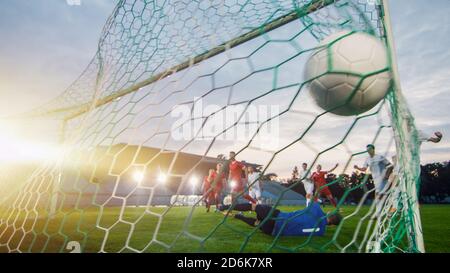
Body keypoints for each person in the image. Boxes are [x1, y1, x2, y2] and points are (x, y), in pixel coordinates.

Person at [218, 202, 342, 236]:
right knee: (257, 223)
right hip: (275, 232)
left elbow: (310, 197)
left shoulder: (317, 209)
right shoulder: (321, 232)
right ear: (331, 225)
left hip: (278, 217)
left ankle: (225, 206)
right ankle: (240, 217)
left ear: (330, 216)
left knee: (254, 206)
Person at [354, 144, 393, 218]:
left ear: (373, 149)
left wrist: (387, 175)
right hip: (375, 180)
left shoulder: (380, 157)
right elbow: (364, 169)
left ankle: (379, 214)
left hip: (382, 179)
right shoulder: (367, 159)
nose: (368, 151)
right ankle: (387, 212)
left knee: (379, 195)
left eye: (370, 149)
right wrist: (357, 168)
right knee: (381, 196)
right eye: (367, 150)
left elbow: (390, 165)